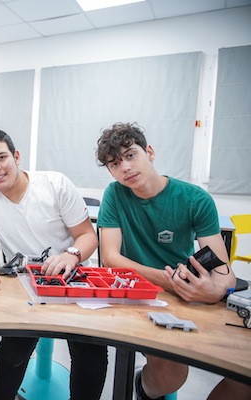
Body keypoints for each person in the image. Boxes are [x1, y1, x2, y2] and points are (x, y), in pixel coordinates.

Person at [95, 122, 251, 400]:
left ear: (150, 152)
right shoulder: (114, 195)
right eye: (115, 164)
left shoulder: (195, 199)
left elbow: (224, 272)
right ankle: (143, 387)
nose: (125, 168)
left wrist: (215, 290)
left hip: (187, 296)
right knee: (172, 375)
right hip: (139, 295)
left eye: (131, 155)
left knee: (244, 378)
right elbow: (110, 258)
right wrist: (167, 280)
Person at [0, 129, 108, 400]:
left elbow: (88, 236)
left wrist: (71, 255)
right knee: (11, 354)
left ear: (16, 156)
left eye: (1, 157)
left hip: (73, 281)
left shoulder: (54, 184)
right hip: (26, 287)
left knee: (91, 352)